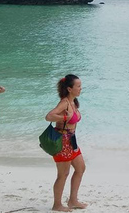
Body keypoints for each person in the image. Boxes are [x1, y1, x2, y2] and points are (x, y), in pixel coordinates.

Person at [45, 74, 88, 211]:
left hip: (72, 141)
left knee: (81, 168)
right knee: (63, 174)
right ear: (70, 89)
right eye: (78, 86)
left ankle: (73, 200)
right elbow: (49, 116)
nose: (81, 88)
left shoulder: (73, 102)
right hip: (62, 142)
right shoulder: (64, 102)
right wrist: (64, 117)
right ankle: (57, 204)